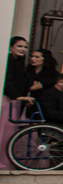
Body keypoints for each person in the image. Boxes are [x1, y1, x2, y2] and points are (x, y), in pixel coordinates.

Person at [1, 37, 31, 169]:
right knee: (5, 130)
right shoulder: (9, 61)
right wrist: (18, 97)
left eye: (25, 47)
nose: (23, 49)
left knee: (10, 131)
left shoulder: (20, 62)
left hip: (15, 100)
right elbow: (6, 81)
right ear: (11, 47)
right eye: (19, 46)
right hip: (8, 99)